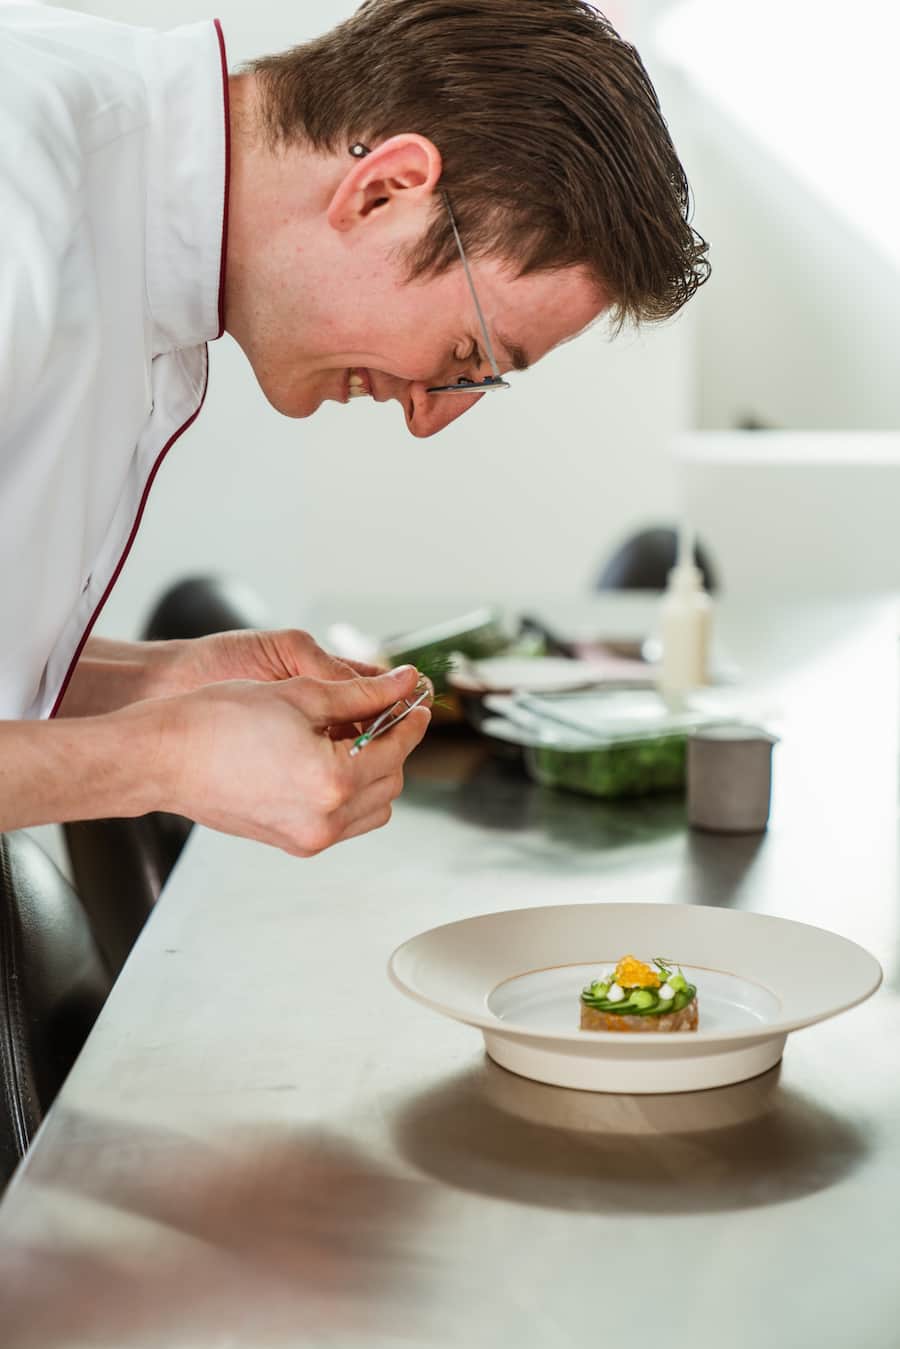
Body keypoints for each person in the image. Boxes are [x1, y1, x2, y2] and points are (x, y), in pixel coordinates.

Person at [0, 0, 708, 856]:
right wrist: (166, 757)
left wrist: (159, 681)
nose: (430, 418)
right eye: (468, 351)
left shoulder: (115, 201)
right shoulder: (18, 180)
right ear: (385, 191)